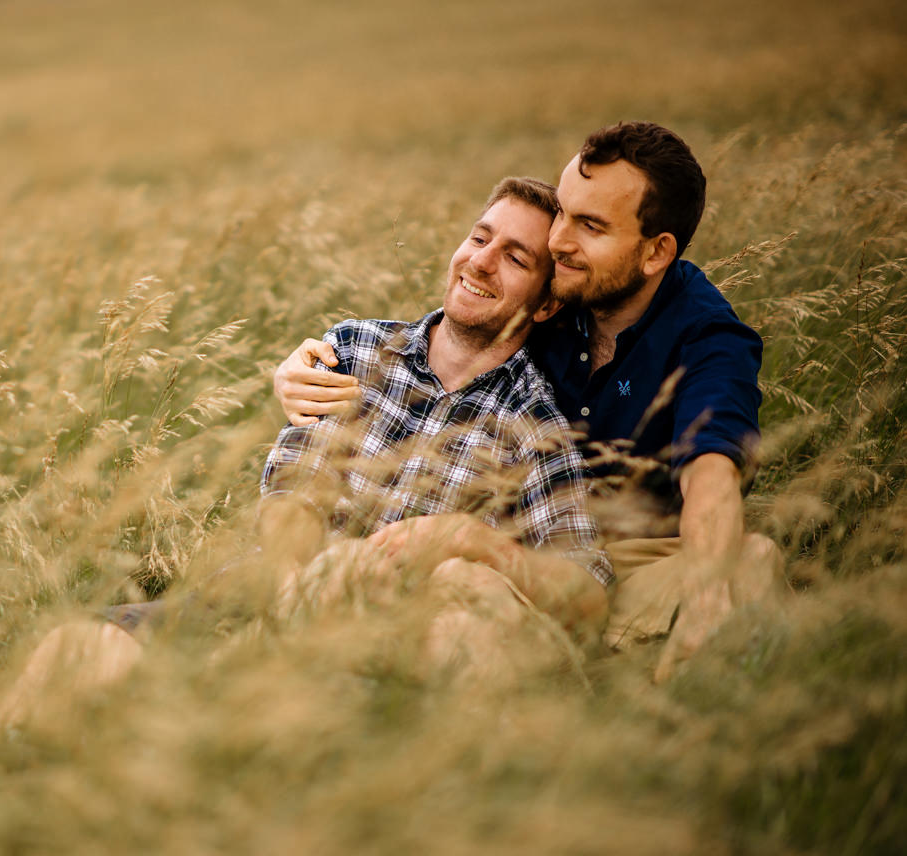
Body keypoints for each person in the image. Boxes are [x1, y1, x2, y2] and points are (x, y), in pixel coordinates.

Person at [0, 178, 612, 736]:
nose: (481, 261)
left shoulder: (535, 424)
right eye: (479, 237)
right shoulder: (356, 349)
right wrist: (291, 589)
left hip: (385, 638)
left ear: (547, 302)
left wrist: (475, 542)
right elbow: (294, 490)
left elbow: (585, 585)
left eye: (514, 257)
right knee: (78, 649)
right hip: (263, 595)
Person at [274, 122, 785, 680]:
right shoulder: (564, 292)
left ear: (655, 251)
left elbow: (711, 474)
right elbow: (460, 324)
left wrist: (706, 599)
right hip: (529, 548)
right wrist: (304, 364)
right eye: (564, 211)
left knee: (752, 561)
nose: (560, 241)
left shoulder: (705, 338)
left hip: (632, 559)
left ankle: (686, 688)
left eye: (590, 225)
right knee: (460, 590)